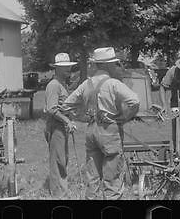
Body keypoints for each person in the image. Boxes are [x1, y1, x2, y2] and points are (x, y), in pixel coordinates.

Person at [60, 47, 140, 200]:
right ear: (108, 65)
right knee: (113, 176)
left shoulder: (86, 84)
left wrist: (82, 116)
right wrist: (125, 117)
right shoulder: (113, 84)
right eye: (114, 64)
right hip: (110, 131)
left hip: (91, 131)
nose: (115, 66)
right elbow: (135, 101)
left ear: (97, 65)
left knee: (92, 176)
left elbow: (66, 105)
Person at [44, 53, 78, 198]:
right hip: (55, 126)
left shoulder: (62, 84)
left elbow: (62, 106)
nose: (68, 69)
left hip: (61, 126)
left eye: (69, 66)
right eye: (64, 67)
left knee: (63, 159)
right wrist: (67, 120)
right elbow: (51, 109)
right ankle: (58, 194)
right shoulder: (54, 85)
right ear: (56, 69)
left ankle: (62, 191)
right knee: (58, 161)